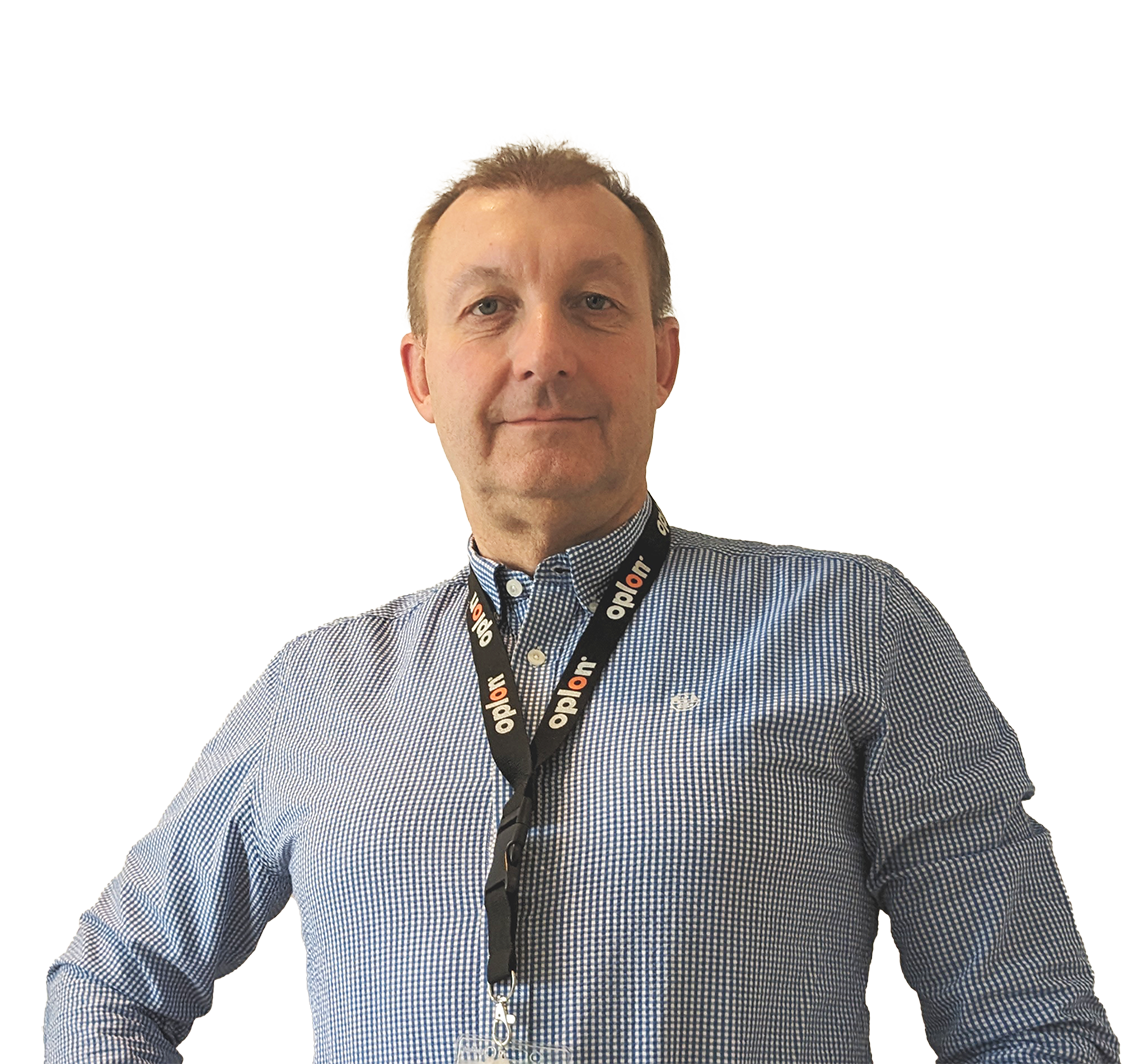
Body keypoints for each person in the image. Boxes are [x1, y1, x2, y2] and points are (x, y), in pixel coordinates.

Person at [44, 136, 1119, 1063]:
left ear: (663, 356)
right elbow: (107, 989)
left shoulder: (852, 628)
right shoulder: (315, 690)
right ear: (421, 375)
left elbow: (1028, 1027)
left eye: (594, 304)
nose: (544, 354)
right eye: (488, 308)